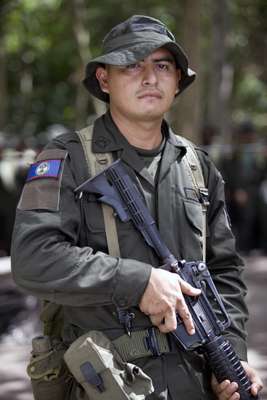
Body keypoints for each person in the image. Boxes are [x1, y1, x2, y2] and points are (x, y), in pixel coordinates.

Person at [11, 15, 262, 400]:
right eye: (132, 65)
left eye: (162, 66)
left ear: (179, 80)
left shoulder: (198, 167)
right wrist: (139, 282)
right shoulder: (67, 160)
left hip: (197, 383)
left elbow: (224, 270)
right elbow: (33, 258)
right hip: (109, 385)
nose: (149, 77)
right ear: (104, 80)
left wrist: (230, 355)